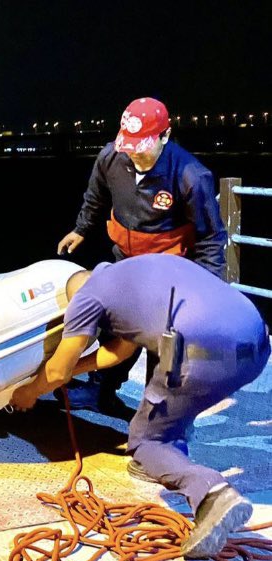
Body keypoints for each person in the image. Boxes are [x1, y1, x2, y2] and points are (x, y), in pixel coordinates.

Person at [10, 255, 269, 558]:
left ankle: (211, 493)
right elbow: (116, 354)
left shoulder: (85, 298)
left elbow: (56, 372)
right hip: (256, 345)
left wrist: (28, 392)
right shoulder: (131, 272)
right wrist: (73, 369)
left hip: (202, 354)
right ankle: (170, 457)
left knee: (145, 440)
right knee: (179, 402)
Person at [56, 97, 227, 414]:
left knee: (161, 344)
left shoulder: (191, 175)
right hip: (127, 261)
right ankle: (102, 392)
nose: (135, 152)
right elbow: (96, 196)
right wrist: (81, 228)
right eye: (129, 144)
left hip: (171, 272)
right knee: (117, 327)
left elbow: (211, 236)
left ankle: (158, 415)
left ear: (165, 135)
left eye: (143, 145)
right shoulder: (111, 157)